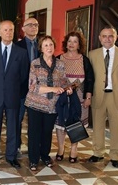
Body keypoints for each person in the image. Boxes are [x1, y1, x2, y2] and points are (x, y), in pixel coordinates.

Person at [0, 20, 29, 169]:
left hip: (13, 95)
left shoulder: (21, 53)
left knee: (13, 127)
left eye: (11, 30)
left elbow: (24, 75)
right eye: (5, 30)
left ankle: (11, 156)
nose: (8, 33)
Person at [88, 26, 118, 168]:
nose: (107, 39)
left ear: (115, 37)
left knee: (117, 127)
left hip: (116, 95)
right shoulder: (92, 54)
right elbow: (91, 76)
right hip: (99, 95)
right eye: (104, 36)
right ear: (100, 38)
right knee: (98, 126)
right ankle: (98, 152)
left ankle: (115, 155)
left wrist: (117, 86)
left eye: (110, 36)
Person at [24, 35, 72, 171]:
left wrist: (68, 88)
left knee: (46, 132)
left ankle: (45, 156)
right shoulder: (35, 63)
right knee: (34, 133)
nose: (49, 48)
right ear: (41, 48)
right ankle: (33, 159)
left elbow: (64, 81)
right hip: (35, 104)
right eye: (46, 45)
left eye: (51, 45)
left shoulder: (60, 64)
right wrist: (53, 89)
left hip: (52, 105)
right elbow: (32, 86)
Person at [55, 31, 94, 163]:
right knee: (61, 123)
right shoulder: (58, 58)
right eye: (69, 41)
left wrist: (88, 97)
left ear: (79, 44)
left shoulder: (85, 60)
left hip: (80, 99)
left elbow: (89, 80)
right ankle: (60, 149)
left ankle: (73, 149)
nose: (71, 44)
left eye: (75, 41)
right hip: (63, 98)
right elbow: (55, 79)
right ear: (66, 43)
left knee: (76, 123)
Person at [15, 17, 41, 153]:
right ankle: (16, 145)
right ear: (23, 29)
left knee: (35, 121)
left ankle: (34, 146)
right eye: (30, 25)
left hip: (39, 90)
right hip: (21, 89)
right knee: (17, 119)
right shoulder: (17, 46)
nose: (33, 27)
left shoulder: (43, 45)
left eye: (36, 25)